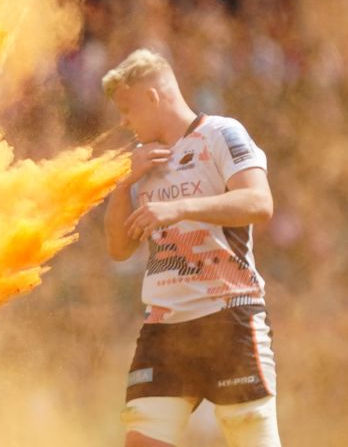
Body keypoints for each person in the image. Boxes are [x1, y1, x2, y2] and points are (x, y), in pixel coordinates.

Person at [100, 49, 280, 447]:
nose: (124, 122)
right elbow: (118, 249)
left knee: (250, 435)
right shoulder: (142, 162)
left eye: (127, 109)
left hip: (229, 313)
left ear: (153, 97)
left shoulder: (221, 134)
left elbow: (259, 203)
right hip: (164, 325)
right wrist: (123, 186)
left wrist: (180, 207)